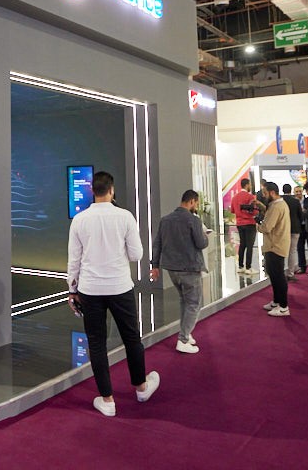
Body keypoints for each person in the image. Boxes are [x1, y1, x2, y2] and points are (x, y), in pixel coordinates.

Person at [67, 171, 159, 417]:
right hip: (120, 287)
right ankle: (141, 387)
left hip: (89, 289)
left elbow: (74, 260)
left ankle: (107, 400)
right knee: (131, 338)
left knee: (96, 343)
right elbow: (136, 254)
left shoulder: (80, 220)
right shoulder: (125, 216)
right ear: (111, 190)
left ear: (92, 191)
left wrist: (72, 291)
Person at [150, 190, 209, 354]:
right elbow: (201, 243)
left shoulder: (165, 220)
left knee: (185, 301)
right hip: (190, 268)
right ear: (192, 202)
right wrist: (205, 236)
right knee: (194, 303)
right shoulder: (193, 220)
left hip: (172, 269)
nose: (196, 206)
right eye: (196, 203)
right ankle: (183, 339)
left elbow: (157, 243)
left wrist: (155, 265)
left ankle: (186, 334)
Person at [257, 182, 291, 316]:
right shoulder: (278, 205)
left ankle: (283, 306)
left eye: (265, 193)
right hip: (275, 244)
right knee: (274, 275)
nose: (264, 196)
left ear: (272, 192)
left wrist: (257, 225)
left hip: (275, 246)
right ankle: (277, 301)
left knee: (278, 276)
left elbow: (266, 227)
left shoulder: (276, 207)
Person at [230, 177, 259, 275]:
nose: (250, 186)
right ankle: (248, 267)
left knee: (242, 244)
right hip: (249, 223)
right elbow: (254, 211)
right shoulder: (250, 197)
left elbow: (232, 210)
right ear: (247, 185)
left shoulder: (235, 197)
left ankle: (240, 266)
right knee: (250, 246)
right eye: (250, 184)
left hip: (239, 223)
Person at [281, 183, 303, 281]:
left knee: (281, 251)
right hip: (295, 229)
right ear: (291, 191)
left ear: (282, 190)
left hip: (282, 229)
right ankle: (290, 273)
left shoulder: (280, 201)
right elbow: (300, 216)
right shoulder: (296, 201)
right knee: (292, 251)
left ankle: (281, 273)